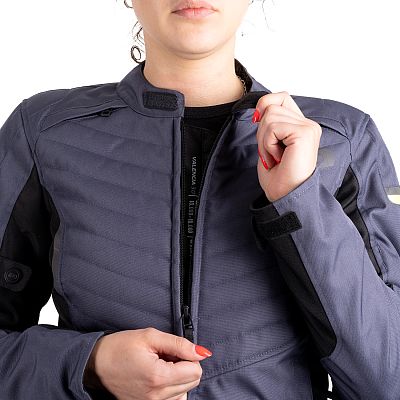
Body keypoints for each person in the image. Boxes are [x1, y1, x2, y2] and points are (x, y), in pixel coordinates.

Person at [0, 0, 399, 399]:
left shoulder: (343, 140)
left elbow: (388, 379)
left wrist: (299, 200)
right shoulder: (44, 132)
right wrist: (90, 365)